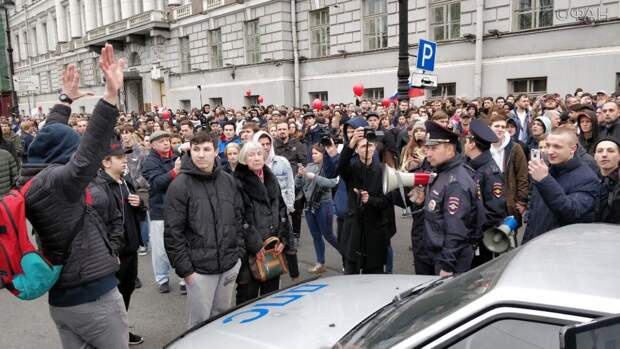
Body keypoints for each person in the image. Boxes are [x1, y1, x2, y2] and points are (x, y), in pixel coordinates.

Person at [19, 45, 129, 348]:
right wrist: (109, 97)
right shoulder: (58, 182)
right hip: (93, 297)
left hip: (64, 299)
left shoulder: (32, 177)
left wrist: (65, 100)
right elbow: (88, 154)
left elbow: (50, 134)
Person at [164, 131, 244, 328]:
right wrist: (186, 271)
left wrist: (238, 255)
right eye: (196, 149)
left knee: (222, 318)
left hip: (228, 264)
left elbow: (239, 218)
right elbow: (173, 233)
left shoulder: (228, 180)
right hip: (199, 271)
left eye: (206, 149)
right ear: (190, 151)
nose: (201, 154)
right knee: (199, 325)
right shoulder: (179, 185)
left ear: (216, 151)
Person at [89, 142, 145, 345]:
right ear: (105, 162)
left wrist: (140, 204)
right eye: (120, 157)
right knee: (111, 299)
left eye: (125, 156)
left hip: (131, 249)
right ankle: (109, 337)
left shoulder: (125, 181)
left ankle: (121, 330)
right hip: (114, 253)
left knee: (125, 293)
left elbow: (137, 211)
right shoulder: (99, 187)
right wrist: (110, 250)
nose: (125, 160)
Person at [409, 121, 480, 276]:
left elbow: (457, 229)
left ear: (449, 150)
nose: (428, 153)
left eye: (433, 148)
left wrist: (448, 266)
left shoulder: (456, 182)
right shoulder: (442, 172)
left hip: (450, 261)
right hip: (437, 255)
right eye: (427, 148)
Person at [234, 141, 290, 304]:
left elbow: (281, 209)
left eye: (259, 153)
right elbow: (239, 217)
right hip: (250, 249)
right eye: (251, 155)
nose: (256, 158)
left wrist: (283, 238)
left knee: (271, 295)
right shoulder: (237, 182)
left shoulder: (270, 177)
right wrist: (256, 244)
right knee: (247, 296)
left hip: (273, 246)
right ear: (244, 158)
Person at [523, 128, 601, 243]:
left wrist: (545, 181)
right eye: (548, 146)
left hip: (561, 250)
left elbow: (572, 212)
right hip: (535, 245)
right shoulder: (547, 170)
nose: (549, 151)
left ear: (572, 149)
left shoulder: (587, 178)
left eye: (557, 147)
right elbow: (535, 215)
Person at [338, 127, 392, 274]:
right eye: (362, 146)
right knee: (351, 274)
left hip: (375, 230)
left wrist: (370, 200)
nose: (367, 149)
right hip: (354, 229)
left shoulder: (383, 171)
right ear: (356, 150)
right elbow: (341, 166)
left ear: (375, 148)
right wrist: (352, 141)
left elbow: (387, 202)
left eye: (370, 145)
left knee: (374, 276)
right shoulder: (351, 169)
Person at [253, 131, 298, 280]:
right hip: (264, 216)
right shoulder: (252, 164)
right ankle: (270, 270)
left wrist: (290, 205)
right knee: (271, 246)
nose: (265, 147)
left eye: (268, 144)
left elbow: (290, 183)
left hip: (282, 209)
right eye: (262, 144)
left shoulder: (282, 161)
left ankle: (294, 276)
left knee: (287, 242)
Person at [142, 130, 182, 294]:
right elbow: (157, 182)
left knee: (182, 244)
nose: (166, 143)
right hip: (160, 209)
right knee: (160, 248)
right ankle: (162, 278)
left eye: (167, 140)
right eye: (161, 141)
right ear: (152, 145)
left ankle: (183, 277)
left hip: (179, 207)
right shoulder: (150, 161)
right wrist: (174, 172)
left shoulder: (177, 155)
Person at [464, 120, 507, 267]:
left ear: (472, 144)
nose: (464, 144)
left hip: (480, 241)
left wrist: (473, 228)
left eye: (466, 140)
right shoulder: (470, 165)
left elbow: (495, 211)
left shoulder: (490, 172)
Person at [296, 144, 340, 274]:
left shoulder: (329, 167)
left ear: (323, 154)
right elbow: (298, 186)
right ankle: (320, 263)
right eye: (313, 153)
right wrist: (299, 175)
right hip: (309, 206)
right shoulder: (309, 166)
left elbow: (333, 183)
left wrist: (315, 177)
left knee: (329, 235)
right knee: (316, 236)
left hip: (324, 204)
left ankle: (347, 257)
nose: (313, 155)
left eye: (316, 153)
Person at [489, 115, 529, 226]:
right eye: (497, 126)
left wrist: (522, 201)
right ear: (489, 128)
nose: (500, 129)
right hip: (489, 204)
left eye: (503, 126)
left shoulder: (515, 148)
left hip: (509, 203)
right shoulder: (483, 148)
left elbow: (522, 176)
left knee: (510, 238)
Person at [594, 138, 620, 223]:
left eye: (610, 151)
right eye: (600, 151)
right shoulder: (588, 179)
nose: (604, 155)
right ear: (594, 156)